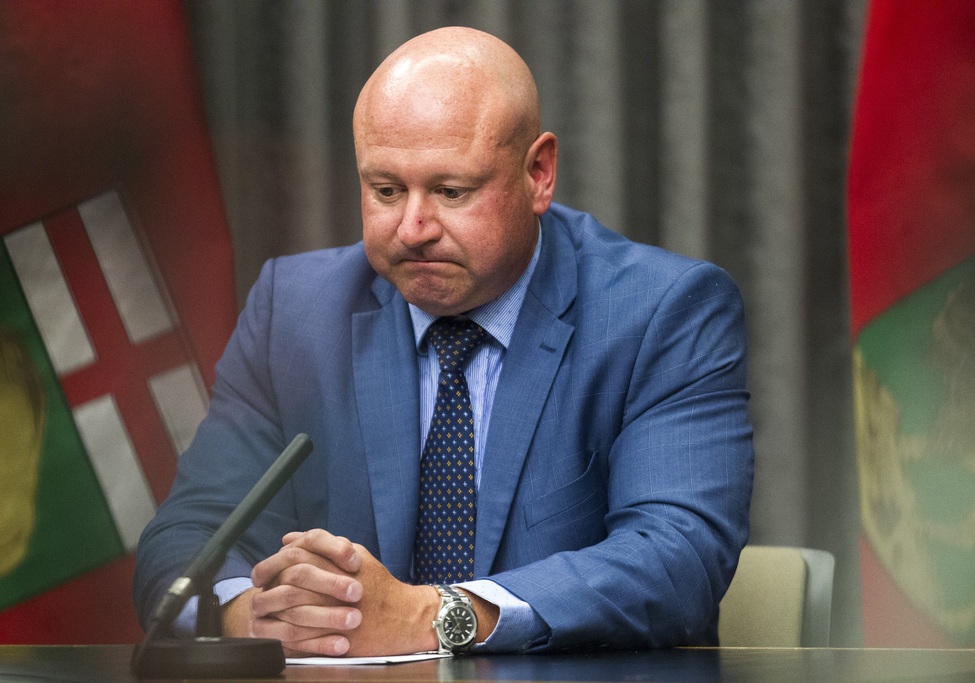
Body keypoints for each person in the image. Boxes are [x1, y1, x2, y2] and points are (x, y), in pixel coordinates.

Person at [133, 26, 754, 657]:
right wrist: (251, 617)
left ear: (538, 173)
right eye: (386, 190)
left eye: (451, 192)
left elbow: (677, 558)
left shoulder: (661, 312)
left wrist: (433, 617)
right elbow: (189, 535)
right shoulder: (294, 313)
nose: (413, 227)